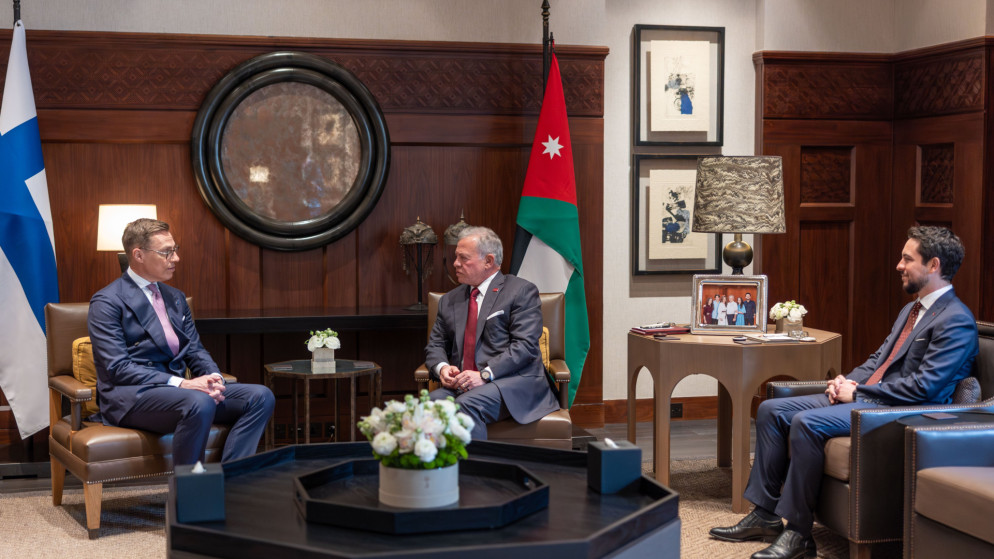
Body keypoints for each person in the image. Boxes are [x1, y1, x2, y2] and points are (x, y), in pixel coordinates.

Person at [709, 226, 978, 559]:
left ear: (933, 265)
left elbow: (926, 387)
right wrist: (844, 382)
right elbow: (879, 360)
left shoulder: (956, 320)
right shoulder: (911, 310)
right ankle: (765, 515)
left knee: (806, 423)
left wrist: (860, 393)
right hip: (872, 397)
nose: (899, 265)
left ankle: (798, 534)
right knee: (771, 410)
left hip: (902, 411)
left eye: (907, 259)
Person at [87, 219, 275, 466]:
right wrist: (184, 383)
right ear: (138, 255)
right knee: (199, 401)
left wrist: (214, 378)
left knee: (261, 396)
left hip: (180, 393)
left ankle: (232, 477)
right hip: (132, 397)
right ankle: (191, 486)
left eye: (175, 249)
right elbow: (118, 368)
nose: (176, 258)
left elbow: (194, 349)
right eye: (166, 252)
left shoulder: (175, 297)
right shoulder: (107, 302)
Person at [425, 226, 560, 440]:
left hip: (512, 383)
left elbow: (525, 346)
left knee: (466, 406)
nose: (455, 263)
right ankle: (439, 463)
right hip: (463, 384)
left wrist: (485, 375)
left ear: (488, 261)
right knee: (429, 405)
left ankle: (479, 463)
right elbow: (436, 345)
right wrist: (442, 368)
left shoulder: (521, 291)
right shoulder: (449, 300)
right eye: (456, 257)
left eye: (463, 258)